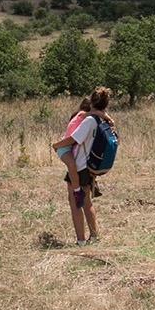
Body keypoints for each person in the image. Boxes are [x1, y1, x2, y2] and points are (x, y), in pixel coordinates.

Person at [51, 86, 112, 246]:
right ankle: (93, 236)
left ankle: (81, 240)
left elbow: (73, 139)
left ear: (91, 101)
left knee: (76, 203)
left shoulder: (89, 120)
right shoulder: (103, 118)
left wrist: (56, 145)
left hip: (80, 166)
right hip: (91, 164)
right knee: (87, 202)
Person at [57, 96, 90, 210]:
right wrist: (105, 115)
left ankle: (81, 188)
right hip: (64, 147)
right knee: (72, 165)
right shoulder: (82, 114)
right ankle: (77, 192)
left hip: (68, 146)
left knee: (74, 166)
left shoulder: (81, 116)